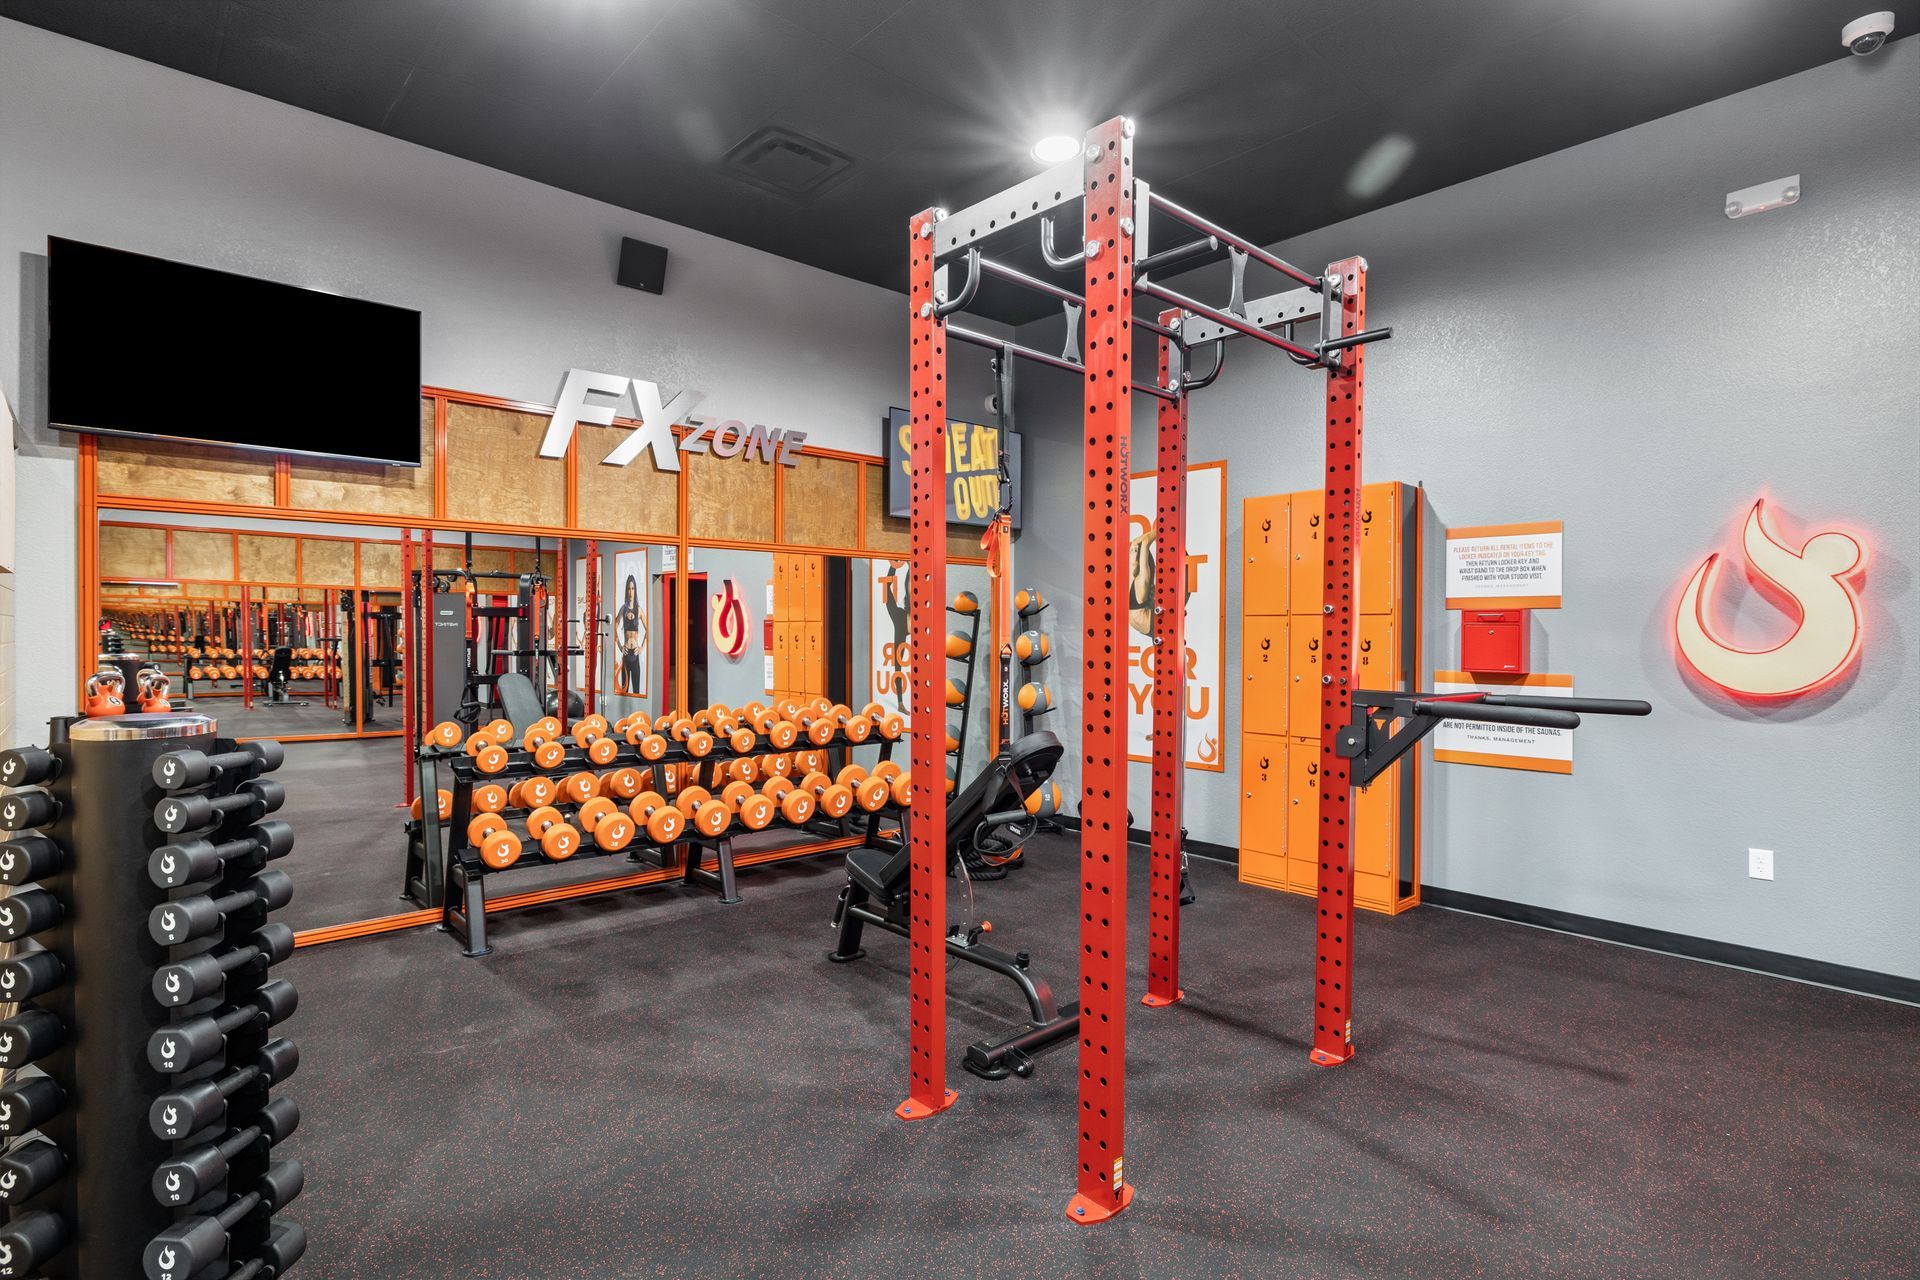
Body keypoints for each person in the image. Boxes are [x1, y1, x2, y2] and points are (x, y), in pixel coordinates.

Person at [616, 574, 646, 696]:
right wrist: (620, 647)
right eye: (629, 588)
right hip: (626, 653)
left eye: (633, 588)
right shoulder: (623, 609)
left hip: (635, 654)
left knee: (637, 691)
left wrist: (642, 648)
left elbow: (648, 630)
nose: (631, 591)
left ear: (635, 590)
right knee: (625, 691)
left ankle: (636, 715)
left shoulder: (639, 609)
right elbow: (613, 629)